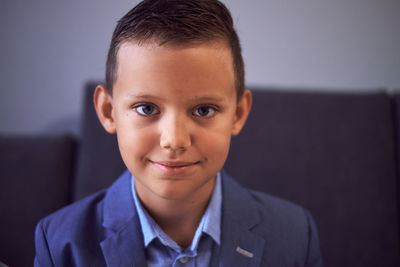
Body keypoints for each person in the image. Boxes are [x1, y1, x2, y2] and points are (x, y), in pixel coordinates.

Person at [34, 0, 323, 266]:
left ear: (238, 113)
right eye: (147, 108)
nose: (174, 140)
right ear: (108, 112)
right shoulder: (59, 243)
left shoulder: (296, 235)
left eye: (204, 110)